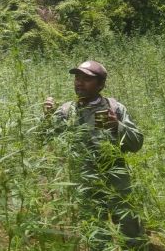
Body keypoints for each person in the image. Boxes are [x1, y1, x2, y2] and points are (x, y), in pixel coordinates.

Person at [43, 60, 147, 250]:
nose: (79, 83)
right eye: (77, 78)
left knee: (129, 224)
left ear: (100, 85)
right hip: (84, 180)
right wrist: (48, 118)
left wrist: (118, 126)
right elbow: (45, 139)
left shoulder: (114, 108)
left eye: (87, 79)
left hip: (116, 178)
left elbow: (137, 142)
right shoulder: (67, 111)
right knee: (95, 229)